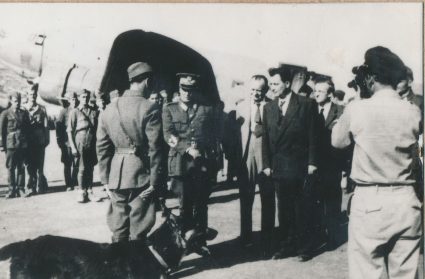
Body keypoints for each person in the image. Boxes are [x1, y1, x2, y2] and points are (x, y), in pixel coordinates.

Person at [332, 46, 422, 279]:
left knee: (366, 274)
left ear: (371, 78)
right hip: (406, 200)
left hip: (370, 200)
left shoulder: (358, 108)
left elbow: (338, 142)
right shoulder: (413, 111)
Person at [97, 62, 164, 243]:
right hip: (140, 174)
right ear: (148, 82)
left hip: (116, 175)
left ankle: (117, 267)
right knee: (139, 227)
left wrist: (104, 179)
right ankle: (136, 269)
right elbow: (155, 148)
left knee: (118, 228)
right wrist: (155, 181)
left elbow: (102, 147)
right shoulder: (149, 108)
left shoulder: (108, 110)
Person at [262, 64, 319, 261]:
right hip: (278, 167)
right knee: (283, 210)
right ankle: (287, 245)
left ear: (287, 83)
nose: (272, 87)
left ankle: (305, 247)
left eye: (276, 83)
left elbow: (314, 136)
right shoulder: (268, 107)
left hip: (300, 166)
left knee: (302, 208)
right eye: (270, 84)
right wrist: (266, 164)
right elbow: (266, 139)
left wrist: (312, 162)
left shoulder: (306, 104)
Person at [162, 72, 219, 255]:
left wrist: (209, 155)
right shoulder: (169, 109)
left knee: (201, 204)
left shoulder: (205, 109)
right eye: (183, 89)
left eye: (190, 89)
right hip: (180, 164)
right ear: (179, 89)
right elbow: (168, 135)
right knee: (184, 205)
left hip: (201, 164)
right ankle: (184, 243)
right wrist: (187, 149)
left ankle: (200, 242)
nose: (187, 93)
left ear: (195, 90)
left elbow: (212, 135)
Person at [233, 75, 274, 256]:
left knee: (267, 196)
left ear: (265, 90)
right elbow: (232, 135)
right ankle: (246, 236)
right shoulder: (240, 107)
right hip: (246, 151)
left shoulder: (272, 106)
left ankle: (268, 237)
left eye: (259, 90)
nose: (256, 94)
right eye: (253, 90)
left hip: (266, 153)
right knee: (246, 196)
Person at [313, 77, 345, 250]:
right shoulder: (310, 109)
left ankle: (333, 236)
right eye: (315, 90)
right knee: (315, 200)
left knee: (332, 201)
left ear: (331, 94)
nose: (316, 93)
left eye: (321, 91)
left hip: (332, 163)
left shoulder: (340, 111)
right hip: (314, 163)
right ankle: (318, 235)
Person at [67, 89, 98, 203]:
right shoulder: (74, 112)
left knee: (90, 168)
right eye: (83, 97)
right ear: (79, 98)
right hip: (80, 140)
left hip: (92, 141)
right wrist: (73, 147)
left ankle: (90, 191)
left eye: (87, 97)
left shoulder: (93, 111)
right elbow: (69, 131)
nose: (85, 99)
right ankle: (81, 192)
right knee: (82, 167)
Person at [0, 92, 30, 198]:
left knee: (21, 167)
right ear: (11, 101)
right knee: (11, 167)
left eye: (19, 101)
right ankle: (11, 190)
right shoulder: (5, 113)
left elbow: (27, 129)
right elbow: (2, 131)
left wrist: (27, 142)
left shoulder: (24, 113)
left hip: (22, 143)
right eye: (15, 101)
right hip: (11, 143)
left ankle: (21, 189)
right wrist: (3, 145)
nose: (18, 103)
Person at [24, 85, 50, 196]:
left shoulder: (42, 108)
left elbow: (46, 126)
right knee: (29, 165)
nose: (32, 96)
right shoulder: (23, 108)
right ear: (27, 95)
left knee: (40, 164)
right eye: (30, 94)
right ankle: (30, 186)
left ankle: (40, 186)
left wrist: (47, 138)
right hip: (28, 140)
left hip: (39, 140)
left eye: (34, 94)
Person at [56, 92, 79, 191]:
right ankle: (69, 184)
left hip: (77, 141)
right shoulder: (64, 112)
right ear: (69, 100)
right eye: (72, 99)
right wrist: (60, 143)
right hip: (67, 143)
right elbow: (58, 128)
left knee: (77, 163)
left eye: (75, 99)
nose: (74, 101)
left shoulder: (79, 110)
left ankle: (76, 181)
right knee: (67, 164)